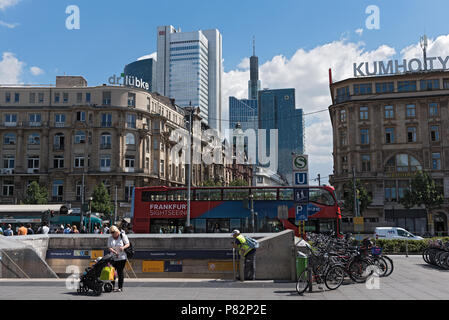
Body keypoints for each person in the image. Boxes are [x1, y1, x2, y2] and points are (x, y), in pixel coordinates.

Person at [107, 225, 130, 292]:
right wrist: (113, 251)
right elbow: (109, 247)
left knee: (120, 272)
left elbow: (128, 244)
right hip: (113, 257)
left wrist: (123, 248)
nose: (112, 234)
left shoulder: (122, 236)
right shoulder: (110, 238)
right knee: (112, 271)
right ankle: (112, 286)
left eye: (113, 232)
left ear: (117, 231)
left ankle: (120, 287)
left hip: (122, 257)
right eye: (111, 233)